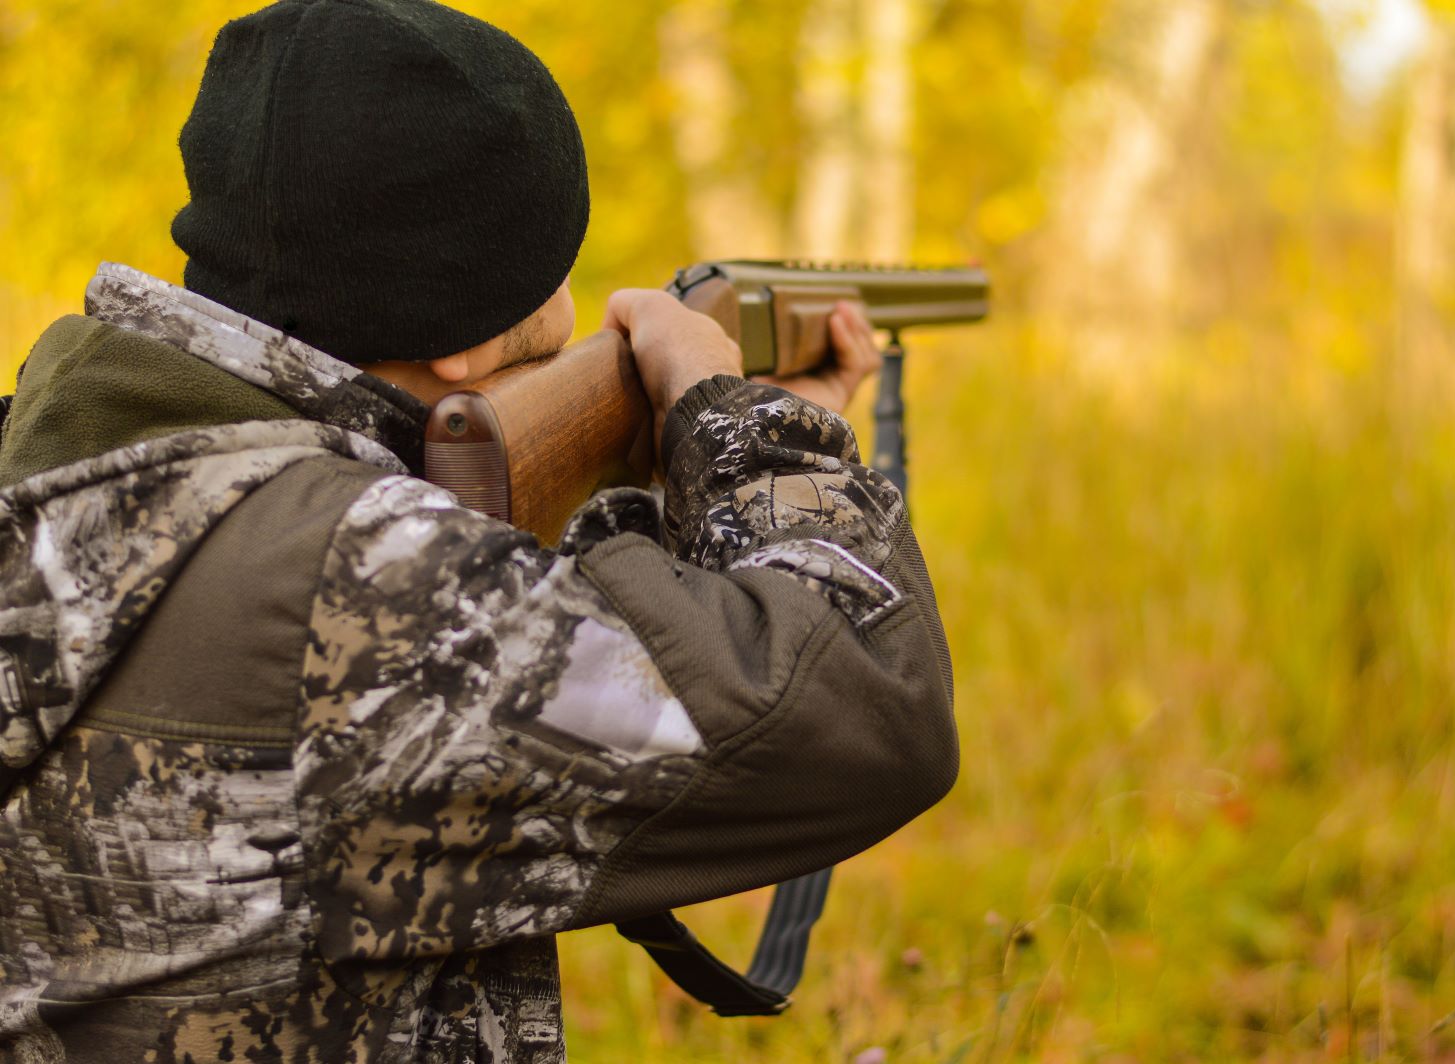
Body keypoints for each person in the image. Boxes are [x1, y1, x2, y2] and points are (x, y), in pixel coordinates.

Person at [0, 1, 957, 1062]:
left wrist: (688, 458)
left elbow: (495, 611)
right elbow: (865, 700)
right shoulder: (359, 584)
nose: (566, 302)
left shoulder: (74, 475)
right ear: (469, 339)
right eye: (551, 268)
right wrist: (742, 425)